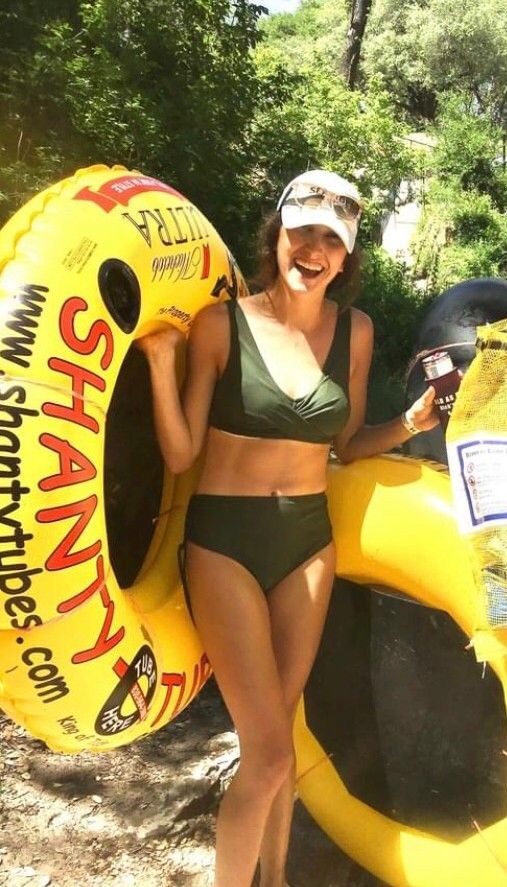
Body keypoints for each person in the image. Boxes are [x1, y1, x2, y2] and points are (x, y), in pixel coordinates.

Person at [138, 169, 437, 887]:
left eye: (330, 240)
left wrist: (410, 423)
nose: (312, 248)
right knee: (269, 752)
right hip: (225, 544)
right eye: (300, 230)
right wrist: (157, 366)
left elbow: (344, 444)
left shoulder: (356, 334)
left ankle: (273, 877)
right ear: (276, 233)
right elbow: (181, 454)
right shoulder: (222, 325)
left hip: (308, 542)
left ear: (346, 256)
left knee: (283, 734)